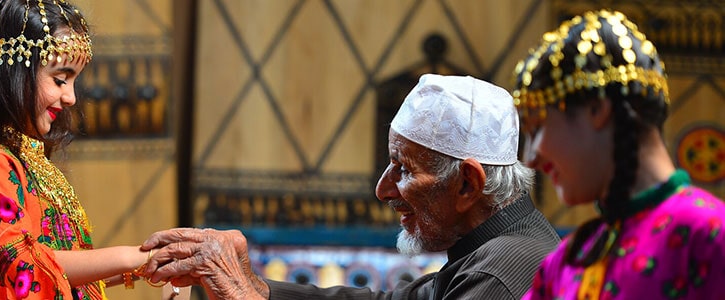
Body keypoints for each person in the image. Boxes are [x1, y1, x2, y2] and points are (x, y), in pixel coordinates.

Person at [139, 74, 561, 299]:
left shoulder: (501, 273)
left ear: (468, 184)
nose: (383, 189)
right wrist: (257, 287)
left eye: (403, 169)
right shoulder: (494, 246)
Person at [0, 1, 185, 299]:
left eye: (73, 81)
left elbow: (58, 276)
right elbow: (25, 270)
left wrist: (153, 263)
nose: (70, 97)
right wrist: (133, 257)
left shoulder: (27, 159)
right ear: (12, 73)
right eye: (59, 79)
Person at [512, 10, 725, 299]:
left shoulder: (709, 234)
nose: (531, 158)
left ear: (597, 110)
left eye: (537, 129)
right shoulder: (566, 260)